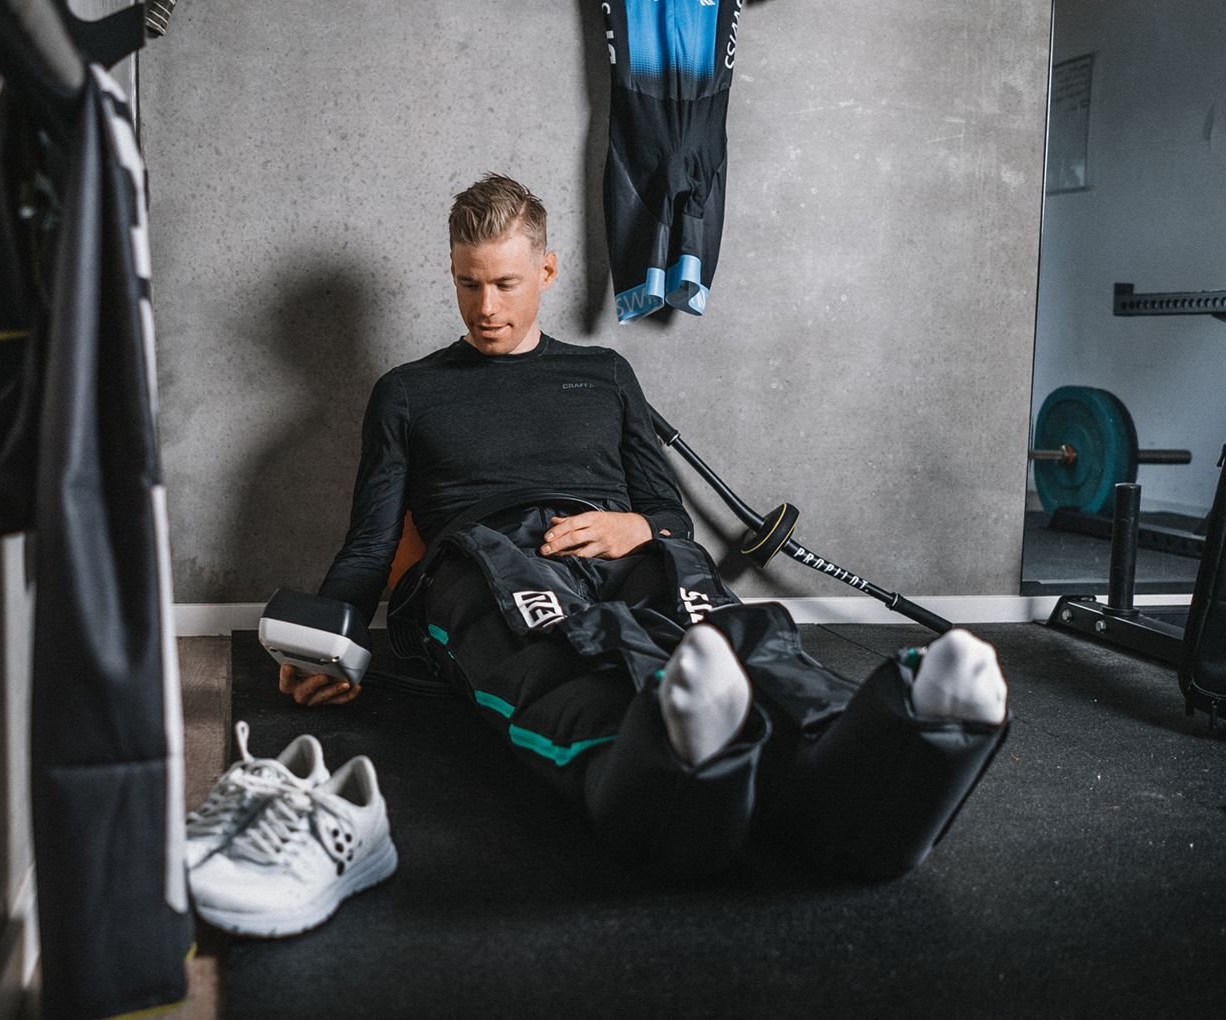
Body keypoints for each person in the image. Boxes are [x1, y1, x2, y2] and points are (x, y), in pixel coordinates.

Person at [279, 173, 1009, 878]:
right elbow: (372, 542)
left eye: (505, 283)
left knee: (720, 623)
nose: (486, 307)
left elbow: (667, 515)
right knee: (557, 647)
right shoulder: (408, 392)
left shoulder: (605, 373)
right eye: (468, 284)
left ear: (547, 270)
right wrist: (327, 641)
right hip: (489, 557)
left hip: (622, 547)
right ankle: (666, 752)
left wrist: (634, 528)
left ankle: (882, 739)